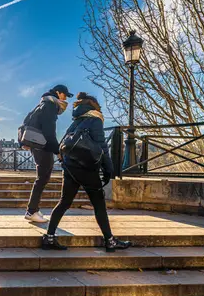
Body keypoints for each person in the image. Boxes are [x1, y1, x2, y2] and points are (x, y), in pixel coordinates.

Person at [43, 92, 132, 253]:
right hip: (87, 168)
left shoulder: (76, 120)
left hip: (70, 167)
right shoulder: (95, 119)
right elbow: (101, 146)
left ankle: (49, 236)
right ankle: (110, 241)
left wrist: (65, 164)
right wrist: (108, 169)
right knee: (99, 204)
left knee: (64, 202)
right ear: (94, 105)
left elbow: (63, 143)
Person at [23, 84, 72, 224]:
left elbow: (26, 121)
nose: (65, 99)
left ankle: (33, 209)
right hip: (43, 145)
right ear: (58, 93)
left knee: (42, 177)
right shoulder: (50, 105)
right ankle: (31, 211)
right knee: (42, 178)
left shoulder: (42, 103)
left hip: (37, 144)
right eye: (64, 95)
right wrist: (57, 150)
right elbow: (49, 130)